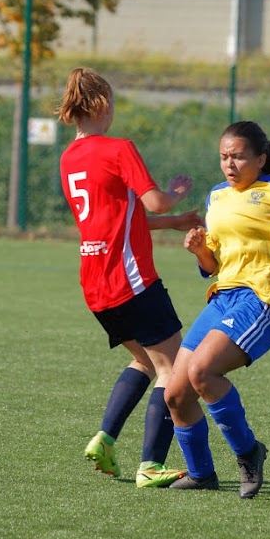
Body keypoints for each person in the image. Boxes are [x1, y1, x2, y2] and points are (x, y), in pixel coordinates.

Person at [163, 120, 270, 498]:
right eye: (224, 156)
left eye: (239, 156)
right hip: (223, 296)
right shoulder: (216, 196)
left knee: (202, 372)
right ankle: (201, 473)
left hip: (263, 298)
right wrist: (200, 250)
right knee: (175, 394)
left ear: (260, 159)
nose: (230, 164)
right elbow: (213, 266)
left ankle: (248, 453)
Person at [56, 67, 202, 487]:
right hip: (131, 280)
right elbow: (153, 202)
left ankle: (105, 438)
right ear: (102, 105)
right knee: (174, 369)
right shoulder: (118, 149)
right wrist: (174, 194)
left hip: (96, 285)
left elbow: (114, 219)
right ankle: (151, 466)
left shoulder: (69, 158)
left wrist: (173, 222)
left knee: (144, 360)